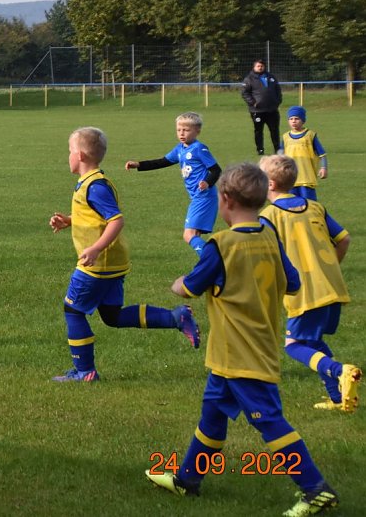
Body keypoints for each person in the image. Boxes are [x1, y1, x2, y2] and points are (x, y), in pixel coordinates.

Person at [146, 162, 340, 517]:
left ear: (226, 200)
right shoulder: (268, 233)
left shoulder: (221, 245)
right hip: (243, 348)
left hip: (241, 354)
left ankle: (316, 489)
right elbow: (293, 282)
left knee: (269, 421)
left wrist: (177, 284)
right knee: (213, 415)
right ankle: (188, 479)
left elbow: (190, 287)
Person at [48, 127, 200, 383]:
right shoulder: (92, 183)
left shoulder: (95, 186)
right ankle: (175, 317)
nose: (68, 156)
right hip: (112, 263)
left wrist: (95, 248)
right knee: (112, 316)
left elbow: (115, 221)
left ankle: (85, 371)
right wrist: (70, 220)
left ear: (82, 155)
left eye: (70, 151)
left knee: (73, 311)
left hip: (97, 264)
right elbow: (94, 216)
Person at [258, 155, 359, 412]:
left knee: (294, 346)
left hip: (304, 291)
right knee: (313, 342)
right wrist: (331, 267)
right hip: (332, 286)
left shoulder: (269, 216)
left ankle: (340, 371)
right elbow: (344, 240)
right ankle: (339, 399)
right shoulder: (315, 206)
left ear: (269, 184)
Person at [125, 112, 221, 256]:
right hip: (197, 197)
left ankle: (214, 259)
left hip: (204, 197)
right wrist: (138, 164)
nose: (182, 133)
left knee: (188, 235)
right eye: (179, 130)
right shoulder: (180, 149)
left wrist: (207, 182)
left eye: (186, 130)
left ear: (197, 131)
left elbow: (216, 170)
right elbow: (162, 161)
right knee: (194, 235)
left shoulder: (199, 149)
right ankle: (209, 263)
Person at [278, 106, 328, 200]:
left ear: (303, 120)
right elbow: (280, 156)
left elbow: (322, 154)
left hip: (307, 178)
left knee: (309, 204)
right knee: (293, 205)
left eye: (297, 118)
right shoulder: (285, 137)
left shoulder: (310, 135)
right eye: (291, 119)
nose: (293, 121)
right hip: (291, 178)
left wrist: (324, 168)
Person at [241, 58, 283, 155]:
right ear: (254, 67)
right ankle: (260, 149)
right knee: (258, 131)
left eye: (262, 66)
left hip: (272, 110)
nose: (260, 68)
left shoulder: (271, 77)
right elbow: (244, 93)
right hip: (258, 110)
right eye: (258, 66)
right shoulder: (249, 79)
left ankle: (277, 149)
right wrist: (253, 102)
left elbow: (278, 90)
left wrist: (278, 101)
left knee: (275, 130)